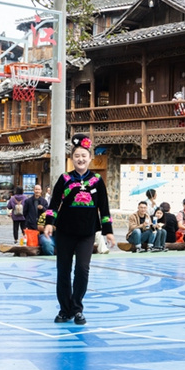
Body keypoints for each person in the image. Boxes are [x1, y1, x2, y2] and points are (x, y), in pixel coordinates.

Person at [44, 133, 116, 325]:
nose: (81, 159)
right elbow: (54, 203)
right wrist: (50, 223)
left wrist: (108, 231)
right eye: (77, 156)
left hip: (87, 233)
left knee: (82, 269)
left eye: (84, 155)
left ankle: (77, 308)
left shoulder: (97, 181)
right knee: (63, 270)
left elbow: (104, 207)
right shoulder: (65, 178)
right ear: (72, 158)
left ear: (90, 158)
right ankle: (64, 309)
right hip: (65, 232)